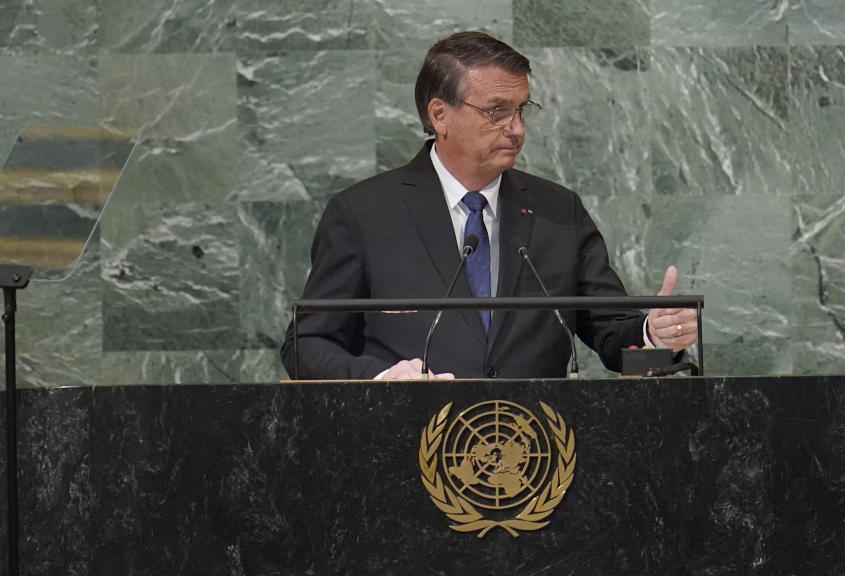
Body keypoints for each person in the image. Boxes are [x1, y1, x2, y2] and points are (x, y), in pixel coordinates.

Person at [281, 31, 698, 380]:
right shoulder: (363, 214)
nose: (516, 129)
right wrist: (379, 380)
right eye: (497, 112)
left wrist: (654, 337)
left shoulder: (558, 211)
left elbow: (610, 332)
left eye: (522, 111)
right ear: (440, 115)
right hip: (404, 446)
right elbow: (306, 344)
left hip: (538, 456)